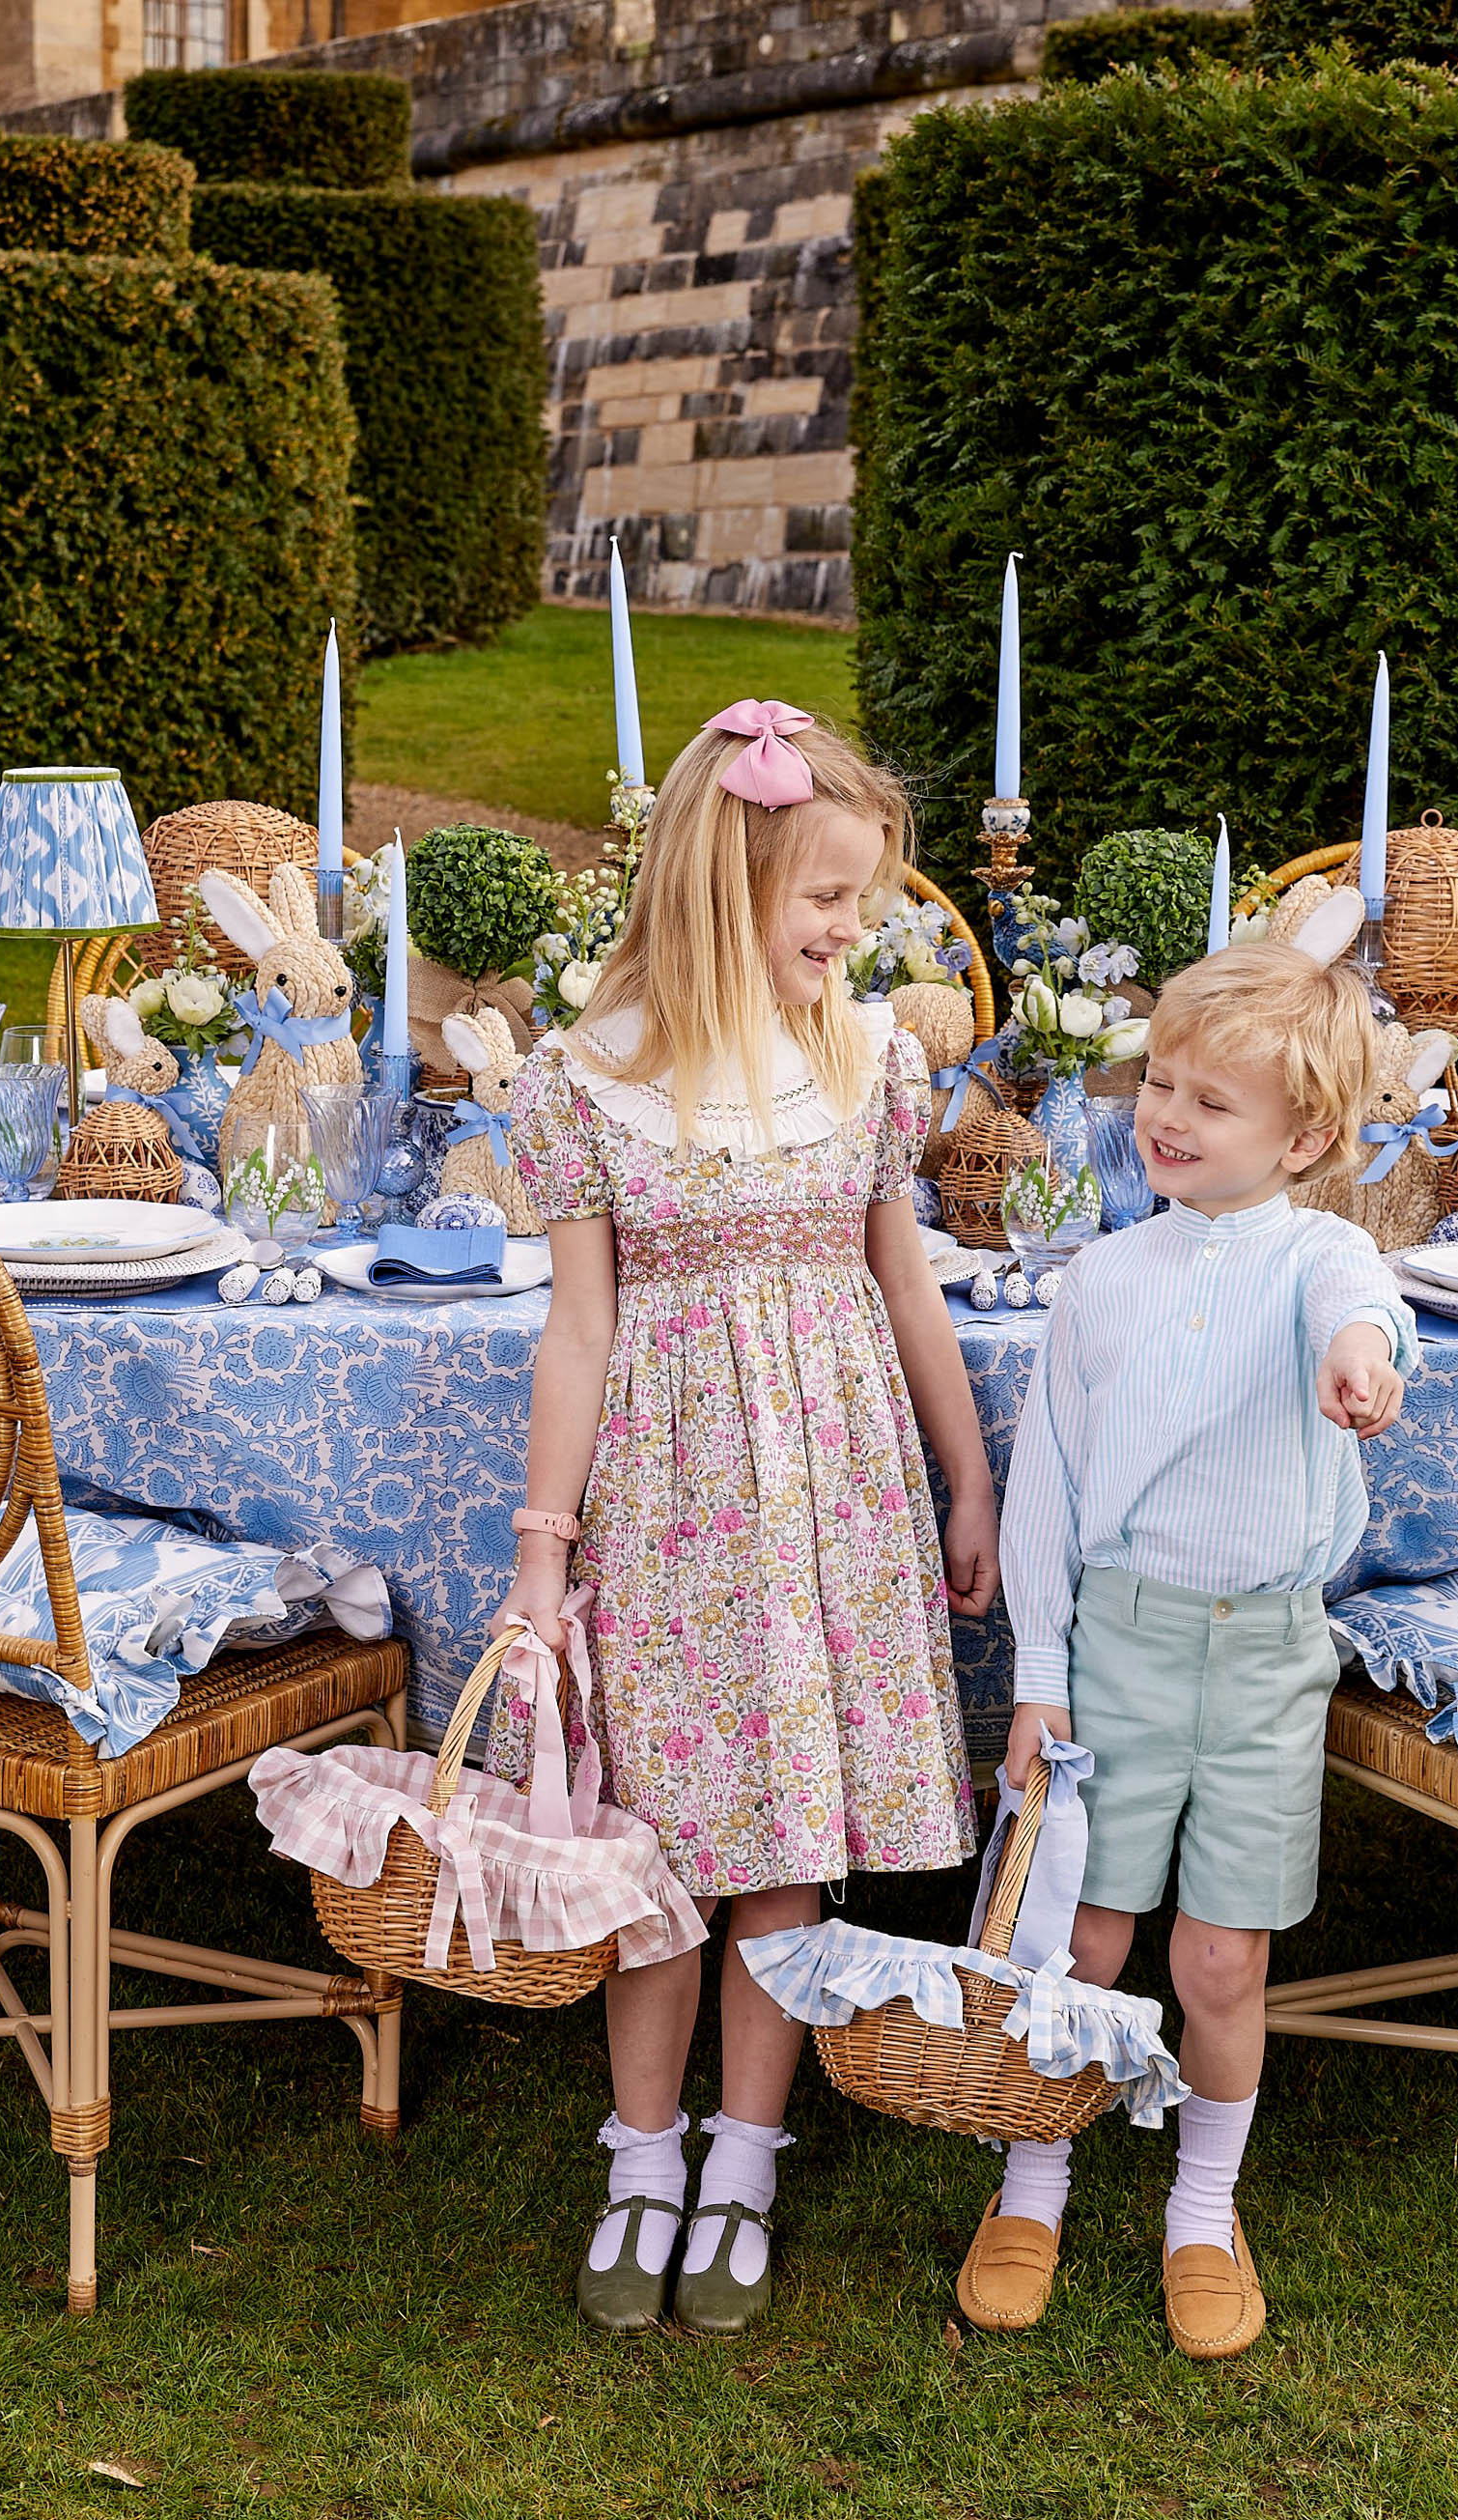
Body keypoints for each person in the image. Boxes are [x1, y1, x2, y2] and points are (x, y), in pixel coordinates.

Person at [497, 699, 1001, 2337]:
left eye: (864, 900)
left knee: (788, 1835)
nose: (858, 930)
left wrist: (966, 1470)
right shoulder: (589, 1082)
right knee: (657, 1835)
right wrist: (540, 1550)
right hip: (670, 1499)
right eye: (832, 901)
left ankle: (748, 2150)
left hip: (834, 1494)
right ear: (729, 885)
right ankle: (642, 2147)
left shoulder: (866, 1061)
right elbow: (578, 1328)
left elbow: (901, 1279)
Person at [964, 938, 1417, 2359]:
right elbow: (1046, 1487)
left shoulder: (1320, 1252)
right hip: (1122, 1649)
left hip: (1269, 1655)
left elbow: (1362, 1310)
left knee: (1220, 1959)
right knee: (1084, 1936)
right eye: (1158, 1081)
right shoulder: (1102, 1279)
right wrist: (1040, 1671)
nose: (1165, 1113)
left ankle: (1203, 2206)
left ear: (1307, 1137)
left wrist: (1361, 1361)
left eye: (1210, 1101)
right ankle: (1031, 2177)